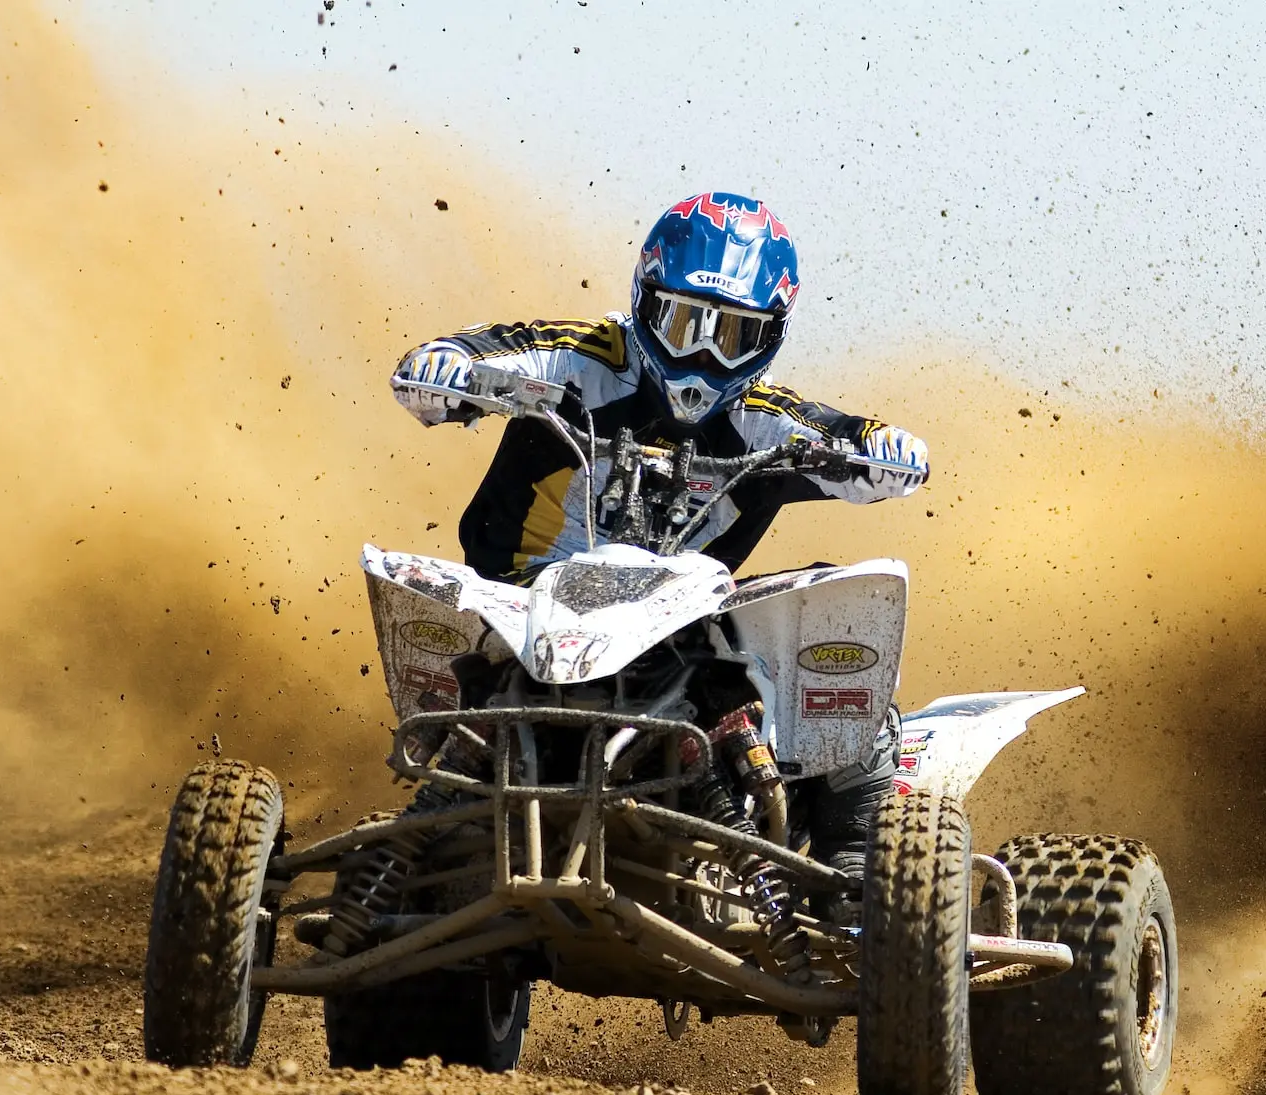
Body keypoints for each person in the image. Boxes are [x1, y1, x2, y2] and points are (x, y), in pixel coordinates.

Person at [387, 191, 929, 908]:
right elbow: (479, 351)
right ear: (644, 300)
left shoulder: (765, 422)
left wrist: (885, 453)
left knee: (834, 613)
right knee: (428, 613)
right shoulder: (578, 361)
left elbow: (852, 434)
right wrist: (446, 370)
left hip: (682, 635)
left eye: (732, 336)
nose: (702, 354)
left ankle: (855, 866)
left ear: (768, 339)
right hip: (524, 612)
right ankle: (408, 864)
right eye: (683, 322)